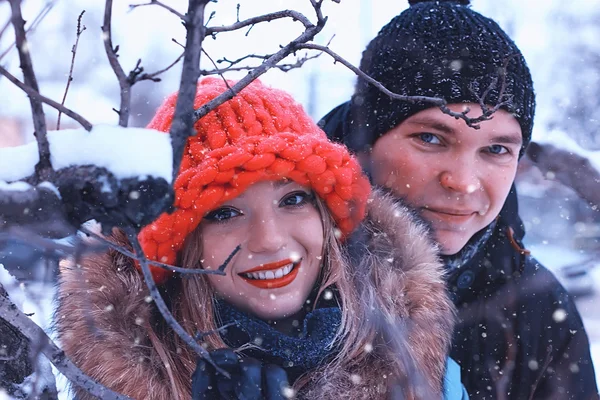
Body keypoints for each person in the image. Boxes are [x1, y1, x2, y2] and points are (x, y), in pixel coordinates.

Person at [55, 78, 468, 399]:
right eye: (224, 212)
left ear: (328, 217)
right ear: (180, 246)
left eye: (293, 199)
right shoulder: (122, 377)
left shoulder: (422, 372)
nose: (269, 240)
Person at [319, 1, 599, 399]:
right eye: (431, 138)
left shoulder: (539, 309)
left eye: (496, 150)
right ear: (363, 142)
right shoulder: (280, 271)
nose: (464, 182)